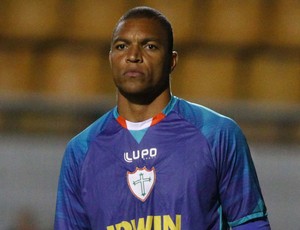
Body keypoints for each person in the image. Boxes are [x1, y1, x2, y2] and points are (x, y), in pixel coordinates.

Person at [54, 6, 270, 230]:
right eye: (121, 46)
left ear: (171, 61)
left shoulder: (216, 133)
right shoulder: (80, 152)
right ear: (111, 59)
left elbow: (251, 224)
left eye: (150, 46)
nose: (133, 56)